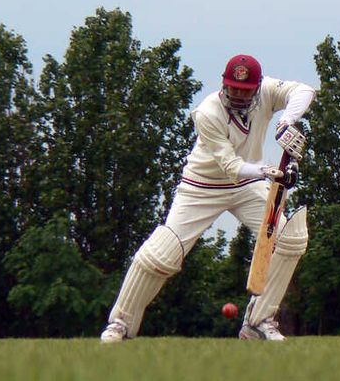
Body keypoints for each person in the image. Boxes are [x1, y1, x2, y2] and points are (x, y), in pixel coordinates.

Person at [100, 54, 316, 343]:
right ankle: (121, 325)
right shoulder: (208, 112)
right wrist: (270, 172)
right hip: (202, 186)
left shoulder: (266, 93)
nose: (238, 95)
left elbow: (304, 91)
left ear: (257, 87)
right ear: (223, 85)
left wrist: (286, 121)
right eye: (233, 88)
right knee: (161, 254)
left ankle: (259, 322)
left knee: (290, 239)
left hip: (247, 186)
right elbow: (230, 166)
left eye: (245, 90)